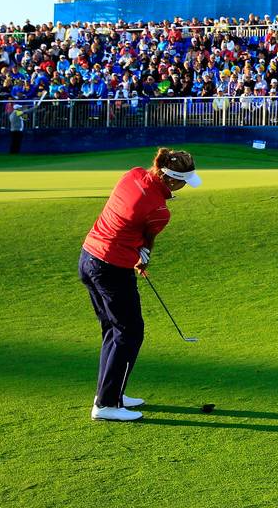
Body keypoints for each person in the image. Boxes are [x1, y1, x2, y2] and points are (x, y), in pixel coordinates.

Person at [81, 148, 201, 421]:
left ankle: (112, 393)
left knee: (114, 331)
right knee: (130, 332)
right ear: (171, 179)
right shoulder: (159, 210)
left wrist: (137, 250)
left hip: (88, 257)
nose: (184, 186)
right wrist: (141, 257)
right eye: (183, 181)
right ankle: (107, 405)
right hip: (111, 268)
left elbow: (132, 225)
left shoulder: (134, 174)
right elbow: (148, 238)